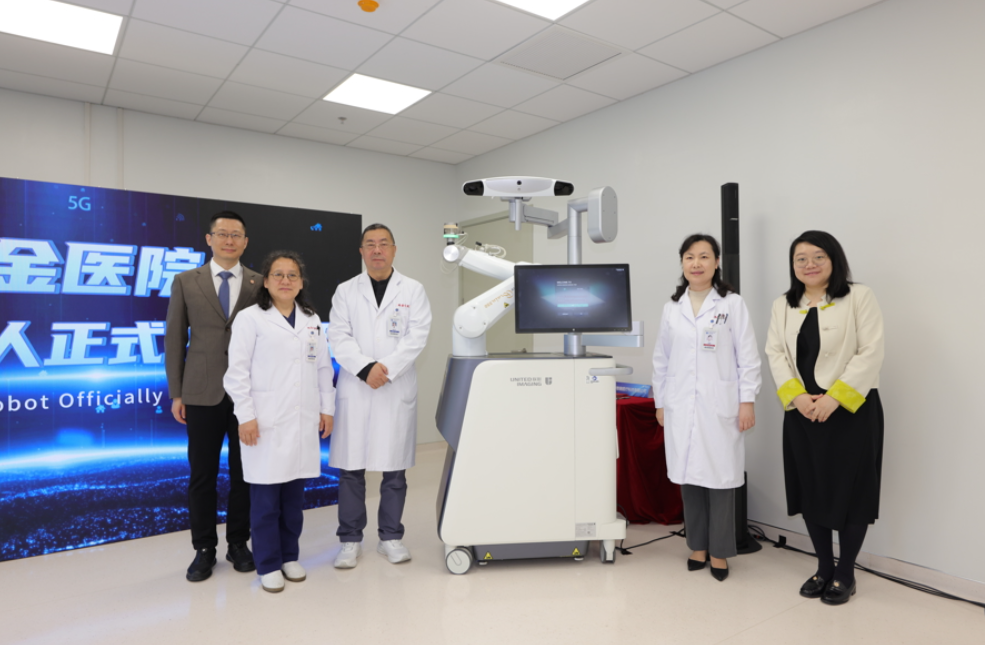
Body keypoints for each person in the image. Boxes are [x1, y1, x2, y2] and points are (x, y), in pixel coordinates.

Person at [765, 230, 884, 606]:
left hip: (852, 410)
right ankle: (823, 567)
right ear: (793, 265)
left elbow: (871, 351)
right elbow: (775, 353)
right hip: (802, 412)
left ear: (834, 260)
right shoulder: (783, 305)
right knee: (810, 487)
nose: (809, 264)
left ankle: (845, 573)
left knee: (853, 492)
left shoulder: (858, 296)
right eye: (800, 258)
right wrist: (797, 397)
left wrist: (835, 399)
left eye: (818, 256)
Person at [223, 251, 336, 593]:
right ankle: (269, 563)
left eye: (292, 275)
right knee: (265, 501)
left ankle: (290, 556)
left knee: (293, 500)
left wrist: (327, 409)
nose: (285, 280)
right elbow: (236, 373)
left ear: (301, 283)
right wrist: (246, 416)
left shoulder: (312, 319)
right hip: (265, 423)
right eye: (278, 274)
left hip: (302, 420)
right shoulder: (250, 318)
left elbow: (323, 368)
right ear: (266, 281)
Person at [652, 234, 761, 582]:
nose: (696, 263)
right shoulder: (672, 308)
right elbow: (661, 360)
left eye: (703, 256)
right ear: (682, 263)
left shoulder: (732, 304)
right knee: (688, 477)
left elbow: (748, 357)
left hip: (720, 405)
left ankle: (719, 552)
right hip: (680, 404)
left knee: (721, 478)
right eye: (689, 257)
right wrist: (661, 403)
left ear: (716, 263)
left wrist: (747, 401)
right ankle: (697, 546)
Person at [327, 223, 431, 569]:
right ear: (361, 251)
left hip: (393, 386)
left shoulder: (413, 289)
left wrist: (384, 369)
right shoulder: (345, 290)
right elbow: (338, 336)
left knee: (394, 470)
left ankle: (390, 537)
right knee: (351, 470)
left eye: (383, 244)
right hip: (357, 387)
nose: (377, 250)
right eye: (370, 244)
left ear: (394, 250)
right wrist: (365, 369)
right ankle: (350, 540)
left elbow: (417, 337)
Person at [165, 211, 261, 581]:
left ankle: (238, 542)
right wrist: (177, 393)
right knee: (202, 475)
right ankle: (204, 549)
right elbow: (175, 339)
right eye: (222, 234)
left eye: (236, 235)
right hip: (201, 392)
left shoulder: (259, 283)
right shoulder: (186, 281)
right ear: (209, 239)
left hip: (248, 395)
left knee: (244, 474)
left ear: (246, 242)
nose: (229, 240)